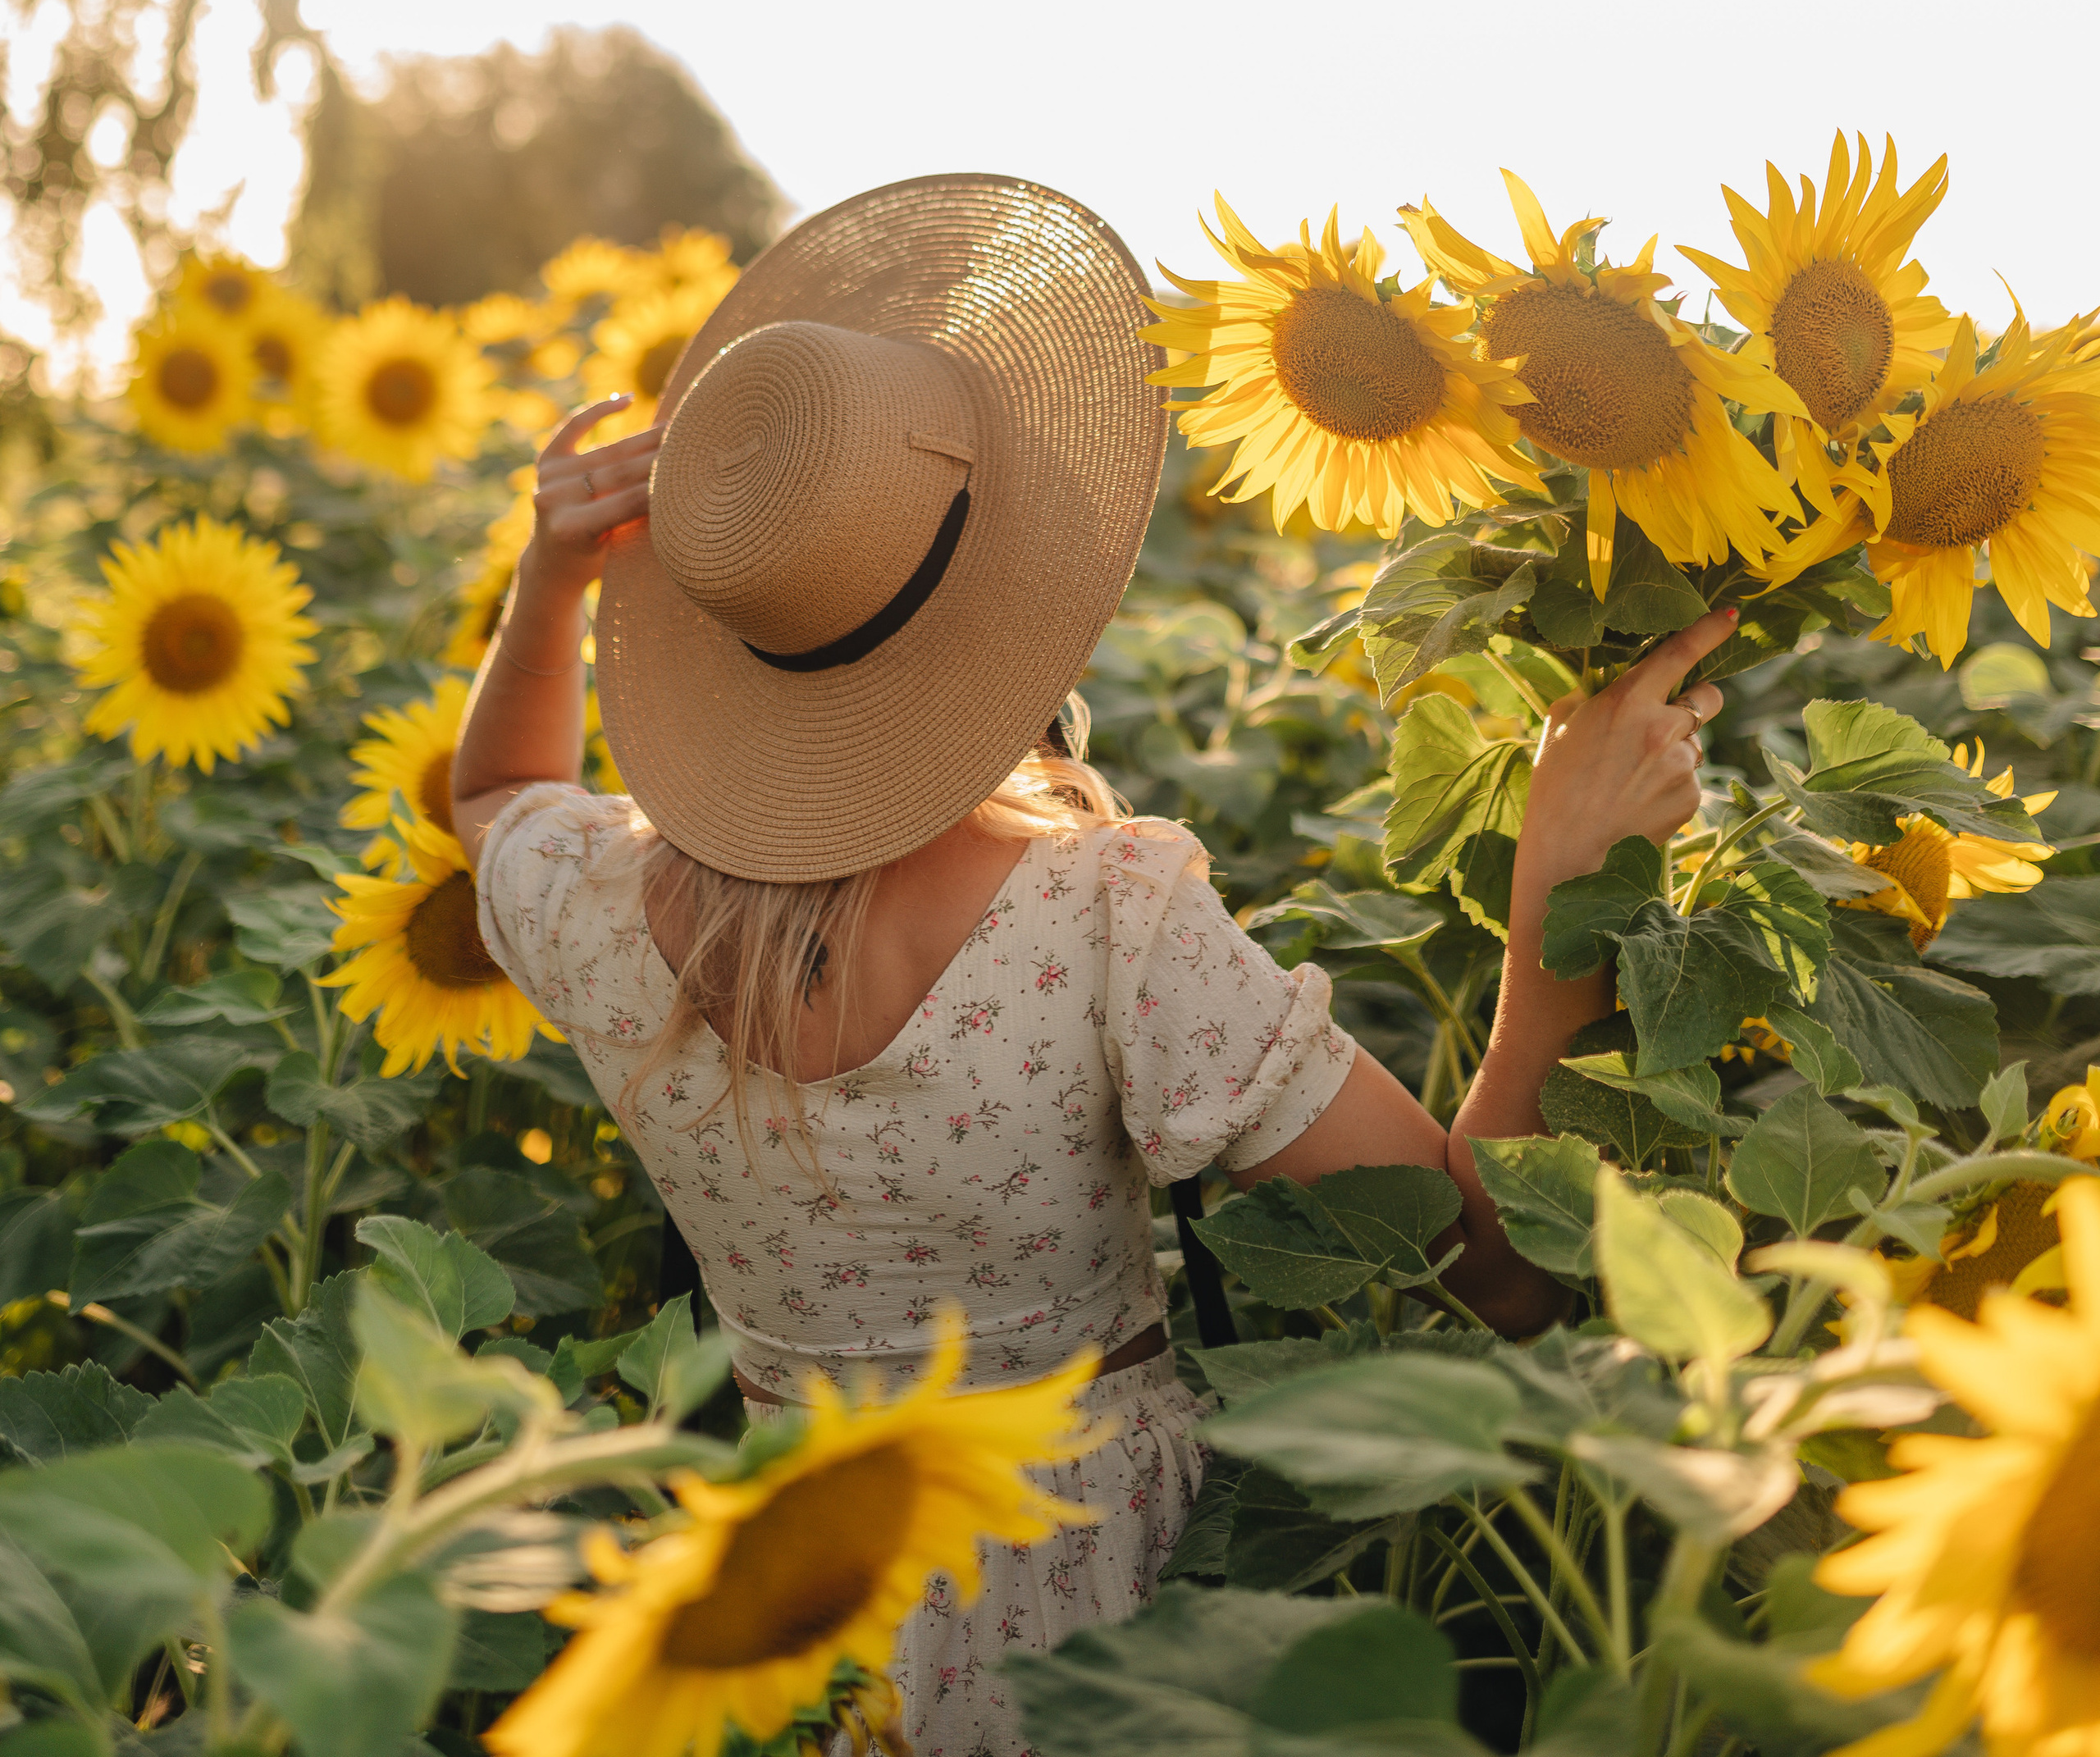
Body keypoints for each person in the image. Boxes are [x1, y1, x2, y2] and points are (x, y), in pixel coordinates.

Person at [454, 173, 1732, 1757]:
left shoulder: (599, 911)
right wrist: (1560, 903)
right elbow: (1489, 1263)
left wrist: (547, 581)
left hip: (788, 1611)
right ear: (1011, 589)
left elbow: (492, 799)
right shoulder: (1101, 919)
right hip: (1100, 1620)